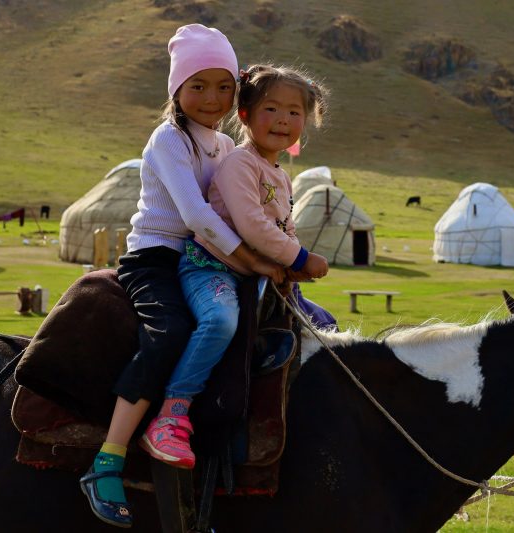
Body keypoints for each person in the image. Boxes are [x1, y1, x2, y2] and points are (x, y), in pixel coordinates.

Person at [79, 24, 285, 528]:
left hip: (204, 261)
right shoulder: (168, 139)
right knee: (168, 333)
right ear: (176, 89)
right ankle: (107, 456)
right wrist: (252, 261)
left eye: (223, 86)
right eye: (198, 85)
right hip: (156, 258)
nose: (211, 98)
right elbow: (195, 216)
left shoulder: (220, 145)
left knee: (252, 345)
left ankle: (205, 486)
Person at [140, 64, 330, 471]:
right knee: (220, 321)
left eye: (294, 112)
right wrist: (301, 258)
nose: (283, 120)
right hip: (209, 267)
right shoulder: (238, 165)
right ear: (244, 114)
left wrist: (291, 265)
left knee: (323, 326)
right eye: (272, 109)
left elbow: (284, 225)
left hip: (252, 274)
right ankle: (173, 411)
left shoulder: (279, 174)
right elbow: (252, 225)